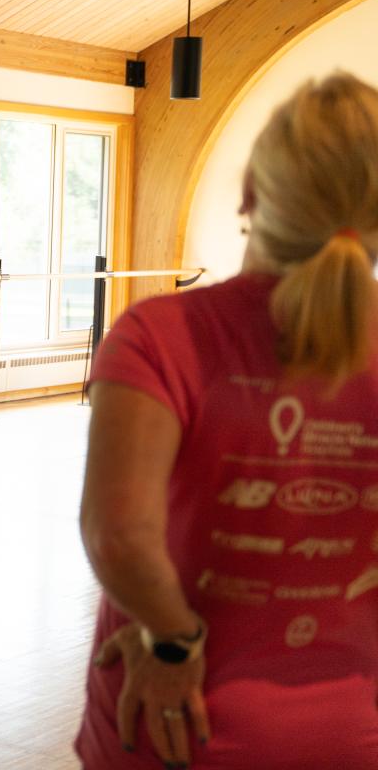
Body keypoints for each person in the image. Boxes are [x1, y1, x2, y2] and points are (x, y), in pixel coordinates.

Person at [77, 72, 378, 770]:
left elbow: (119, 536)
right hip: (347, 727)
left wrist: (172, 640)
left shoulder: (161, 335)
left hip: (176, 719)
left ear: (249, 197)